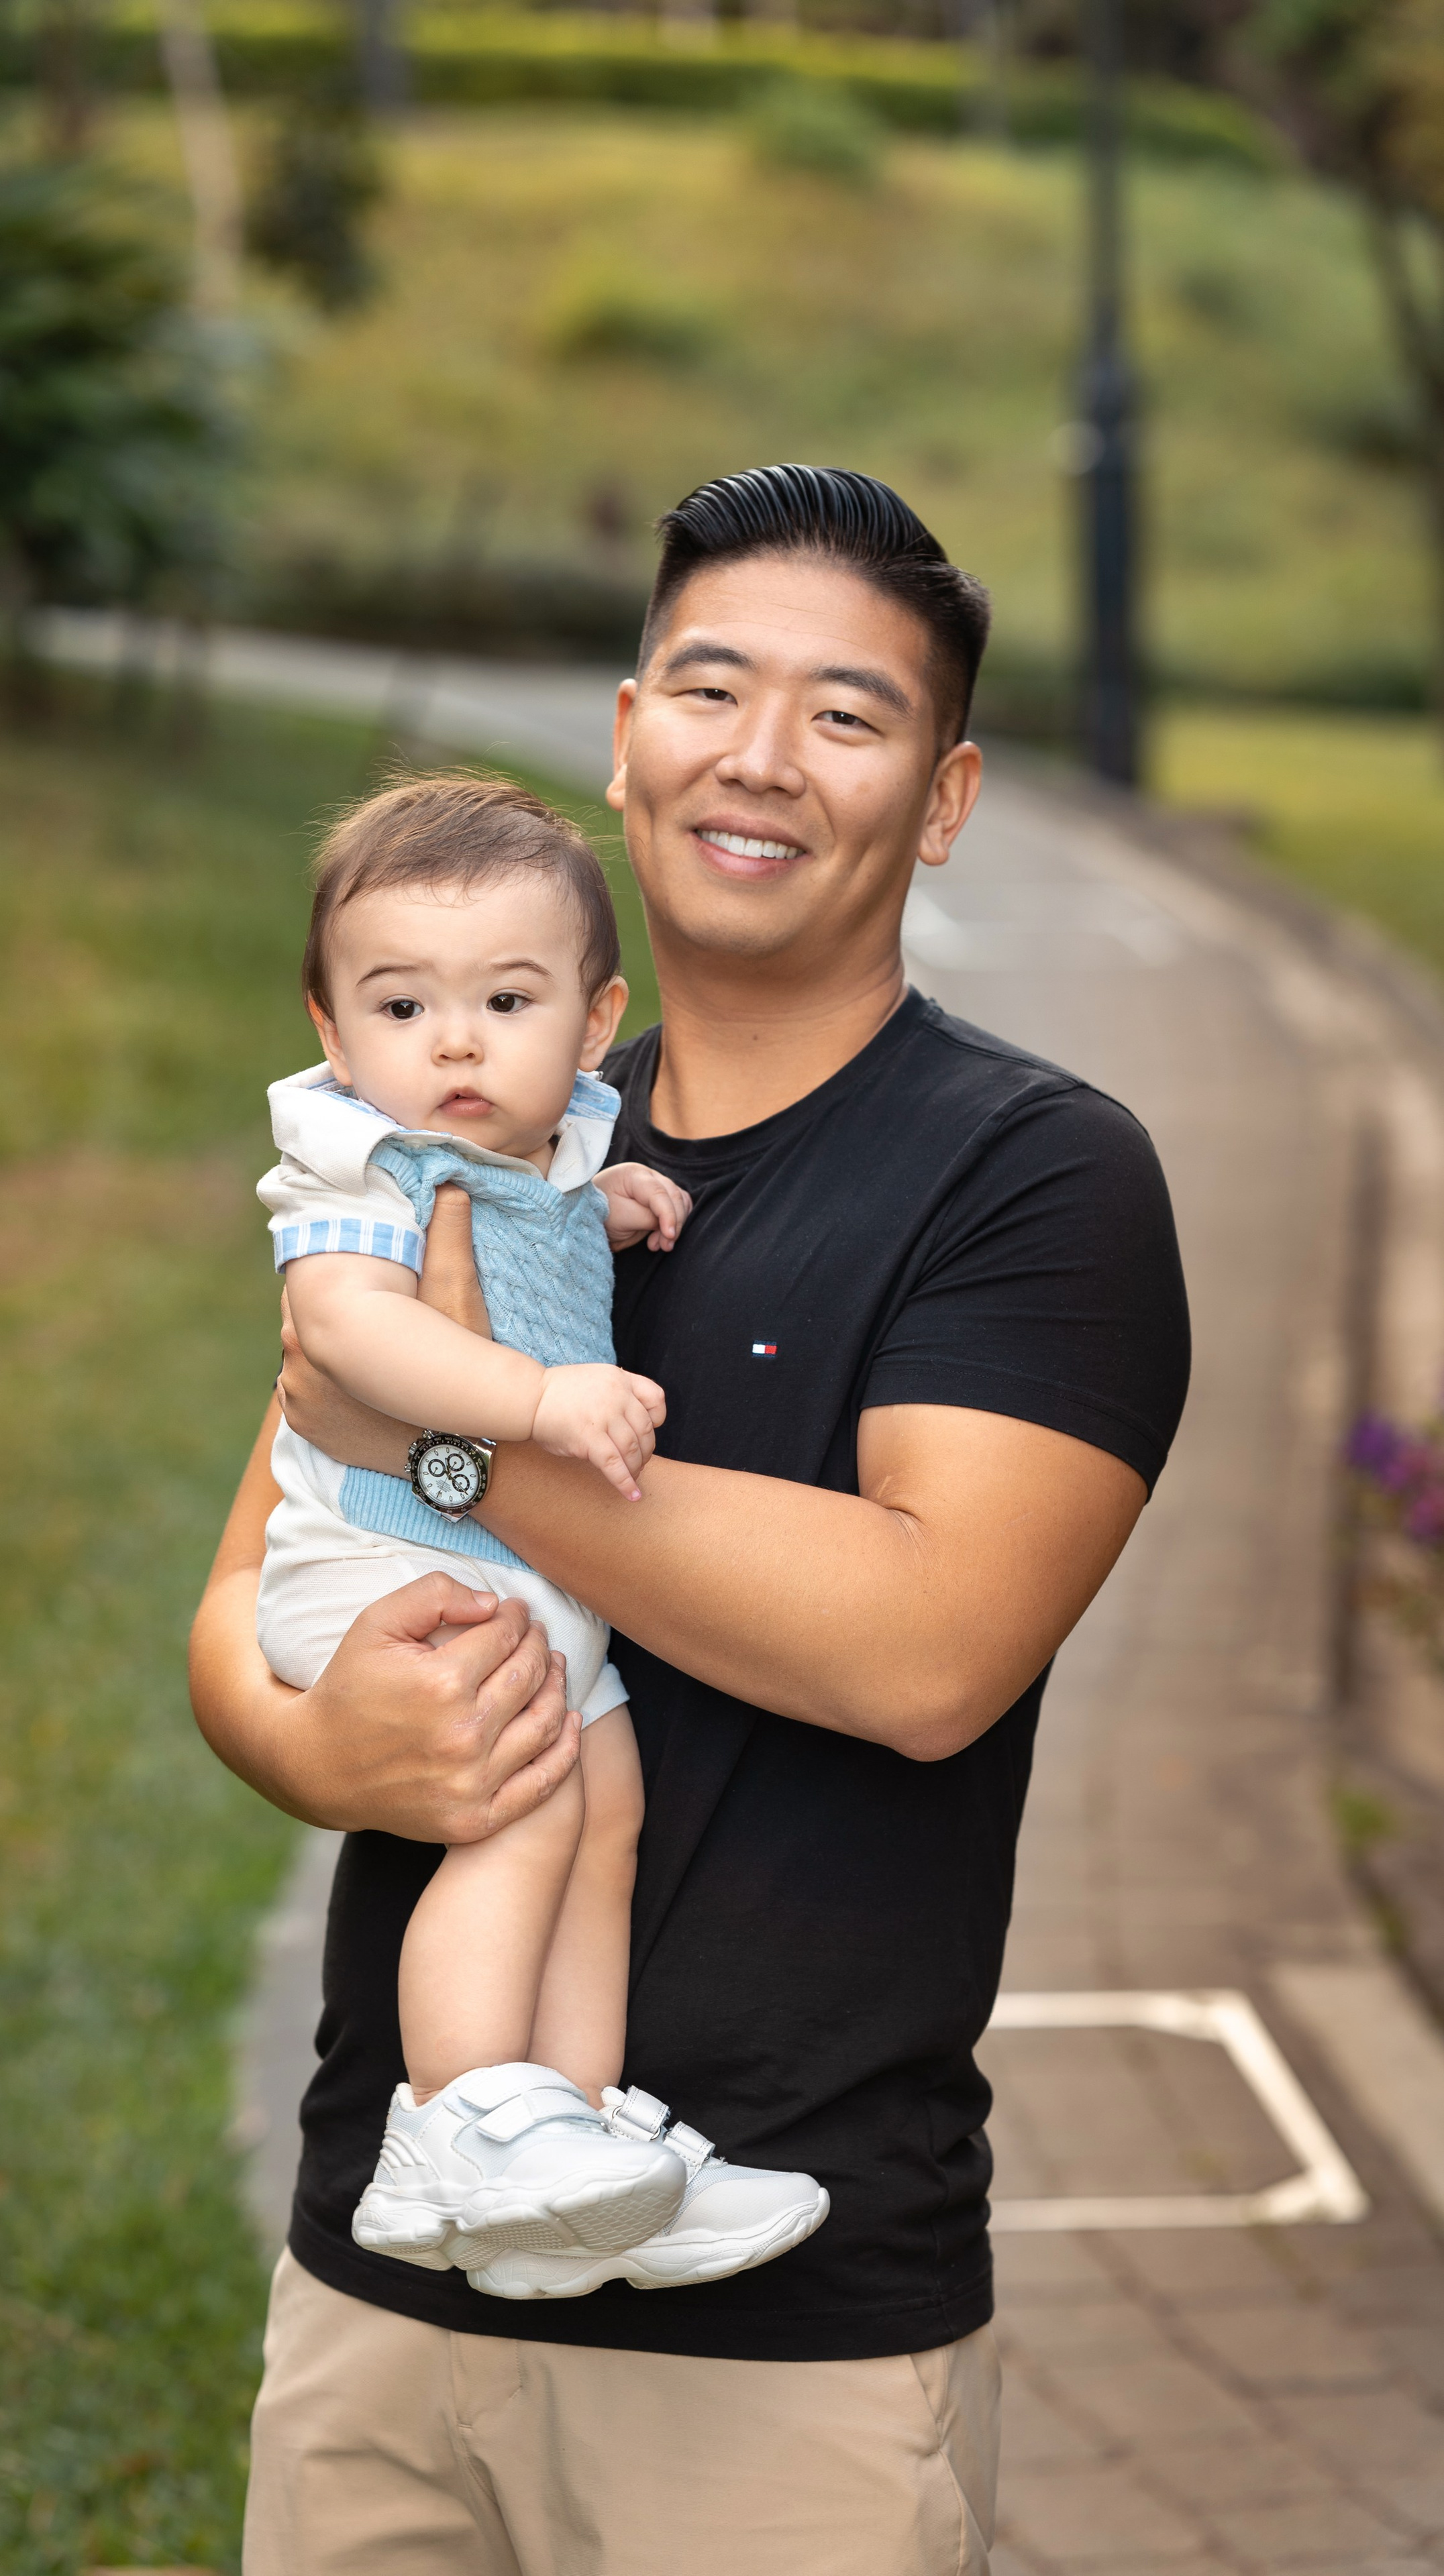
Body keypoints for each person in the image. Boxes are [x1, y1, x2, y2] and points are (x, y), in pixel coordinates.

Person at [191, 463, 1191, 2575]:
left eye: (847, 715)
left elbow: (922, 1655)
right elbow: (262, 1550)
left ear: (944, 798)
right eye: (710, 686)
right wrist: (315, 1744)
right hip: (384, 2278)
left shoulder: (1034, 1178)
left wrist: (462, 1455)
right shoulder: (466, 1103)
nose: (759, 756)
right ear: (629, 731)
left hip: (782, 2339)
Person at [252, 771, 826, 2289]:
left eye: (505, 1000)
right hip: (392, 1569)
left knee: (604, 1808)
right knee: (525, 1816)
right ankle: (456, 2124)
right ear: (328, 1030)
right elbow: (350, 1336)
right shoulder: (358, 1161)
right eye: (399, 1006)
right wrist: (536, 1397)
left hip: (511, 1579)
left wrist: (607, 1199)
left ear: (591, 1018)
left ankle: (576, 2148)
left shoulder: (554, 1142)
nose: (451, 1043)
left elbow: (541, 1211)